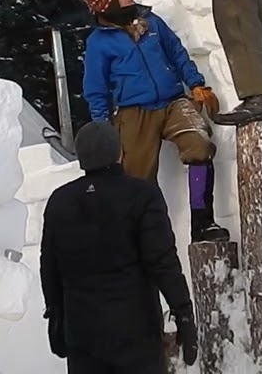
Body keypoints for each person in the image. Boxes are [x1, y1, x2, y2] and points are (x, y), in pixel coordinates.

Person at [81, 0, 230, 243]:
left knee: (199, 145)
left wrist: (196, 84)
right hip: (133, 112)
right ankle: (152, 237)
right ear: (110, 4)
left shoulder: (151, 22)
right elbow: (96, 89)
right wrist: (103, 131)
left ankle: (202, 224)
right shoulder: (98, 43)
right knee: (137, 177)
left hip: (174, 101)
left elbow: (176, 52)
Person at [41, 121, 199, 373]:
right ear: (119, 153)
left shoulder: (60, 201)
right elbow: (162, 261)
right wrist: (183, 312)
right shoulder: (142, 195)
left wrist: (55, 314)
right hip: (136, 332)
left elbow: (49, 266)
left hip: (82, 334)